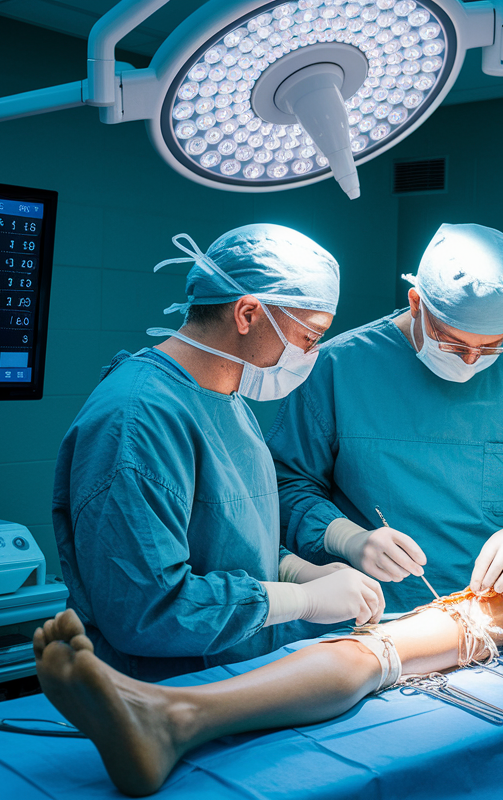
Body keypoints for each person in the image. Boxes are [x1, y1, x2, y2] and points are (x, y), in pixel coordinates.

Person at [53, 225, 384, 682]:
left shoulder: (226, 400)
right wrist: (302, 602)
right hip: (163, 693)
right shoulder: (137, 419)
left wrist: (300, 573)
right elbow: (145, 609)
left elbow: (230, 541)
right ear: (247, 313)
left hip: (237, 675)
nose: (311, 353)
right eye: (309, 336)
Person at [267, 223, 503, 610]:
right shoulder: (336, 368)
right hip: (364, 618)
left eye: (491, 347)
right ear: (417, 303)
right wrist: (345, 537)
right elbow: (287, 485)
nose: (470, 360)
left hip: (495, 621)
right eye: (453, 342)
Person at [33, 590, 503, 797]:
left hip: (490, 624)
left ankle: (174, 716)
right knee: (366, 653)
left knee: (370, 656)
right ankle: (165, 713)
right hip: (400, 614)